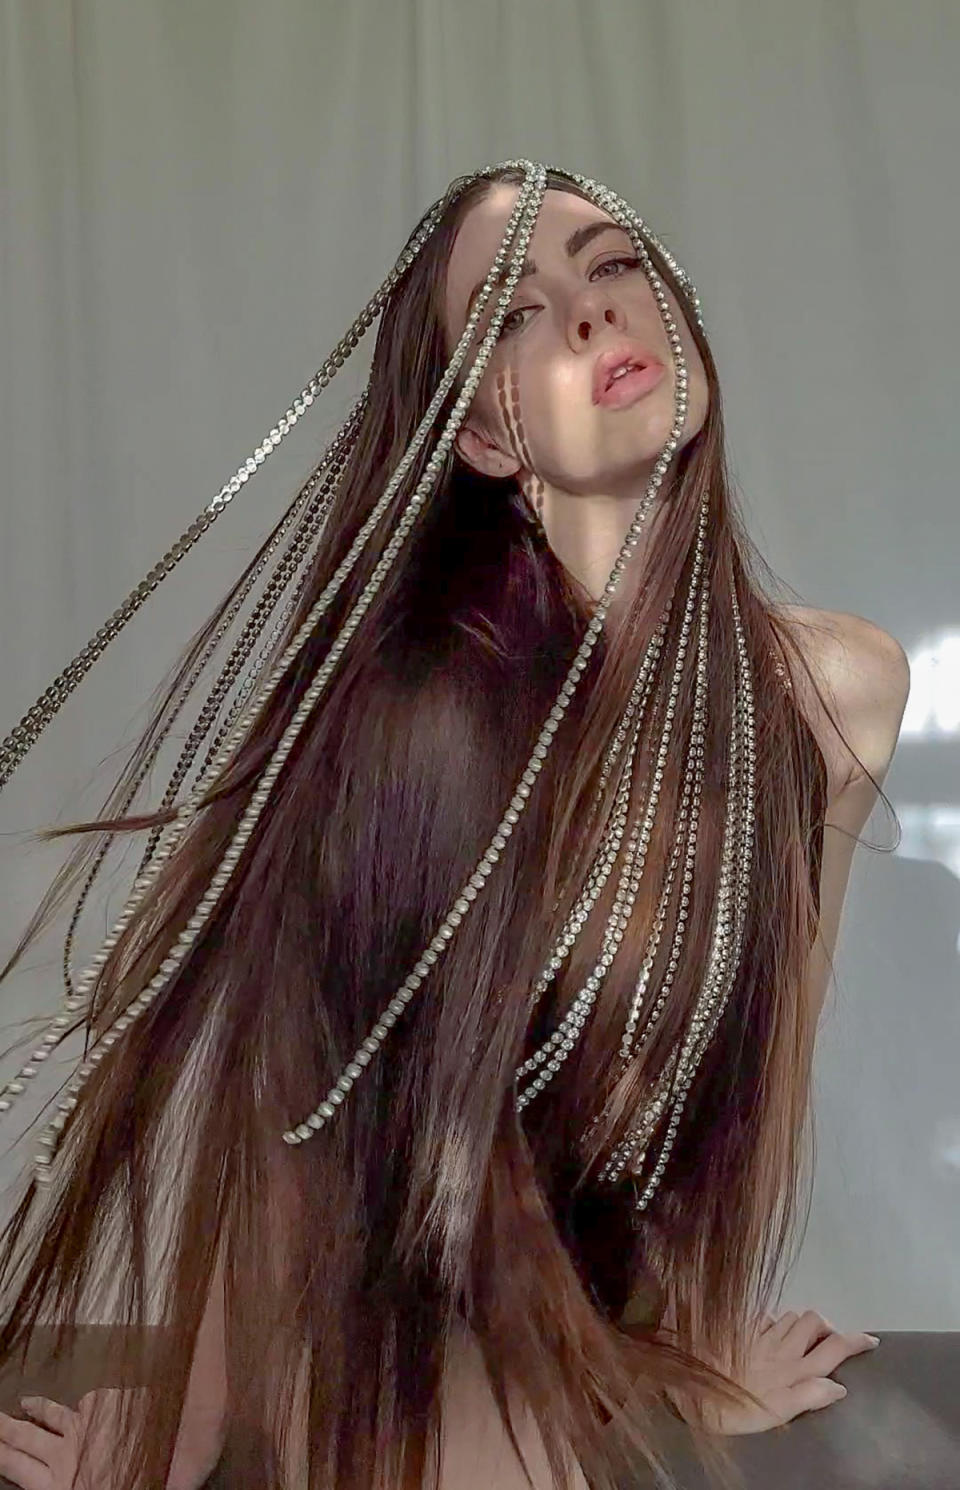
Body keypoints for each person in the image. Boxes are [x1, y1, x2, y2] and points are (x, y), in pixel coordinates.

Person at [0, 160, 909, 1489]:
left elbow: (773, 1027)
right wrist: (175, 1434)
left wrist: (703, 1341)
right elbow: (287, 1103)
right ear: (479, 437)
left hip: (586, 1293)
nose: (592, 315)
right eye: (514, 311)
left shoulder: (839, 686)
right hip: (374, 1307)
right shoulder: (421, 715)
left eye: (610, 265)